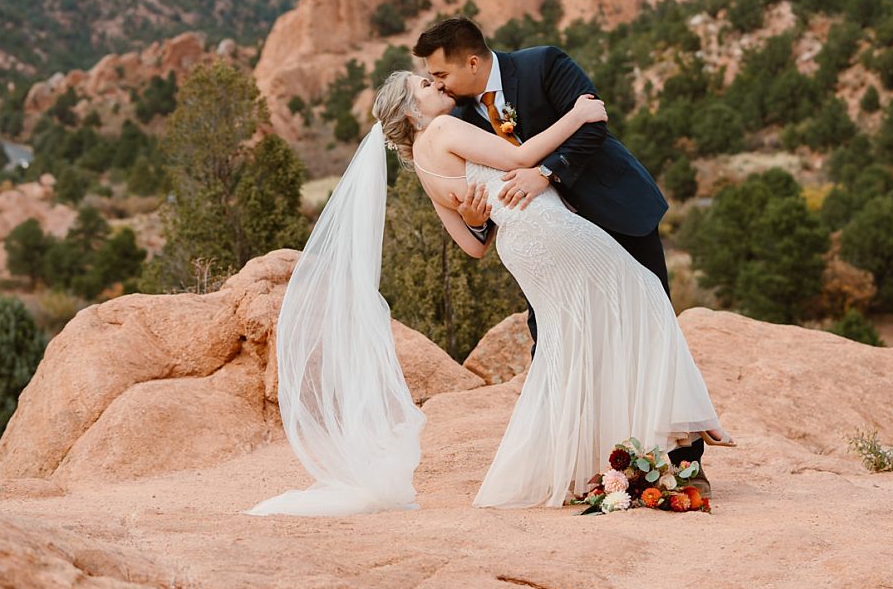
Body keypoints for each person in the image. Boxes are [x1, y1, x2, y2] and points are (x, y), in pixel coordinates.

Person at [244, 69, 729, 515]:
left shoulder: (420, 163)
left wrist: (479, 218)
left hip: (521, 248)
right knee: (643, 290)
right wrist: (577, 115)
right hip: (547, 230)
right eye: (426, 88)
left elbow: (472, 246)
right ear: (413, 112)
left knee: (570, 342)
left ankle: (582, 463)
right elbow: (520, 157)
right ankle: (686, 418)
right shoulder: (442, 131)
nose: (439, 87)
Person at [412, 16, 716, 474]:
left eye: (442, 74)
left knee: (648, 324)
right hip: (550, 241)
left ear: (471, 61)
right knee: (555, 341)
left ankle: (684, 465)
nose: (439, 84)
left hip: (615, 209)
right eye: (432, 80)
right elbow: (484, 197)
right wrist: (477, 220)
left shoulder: (542, 64)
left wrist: (546, 173)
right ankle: (580, 462)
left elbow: (592, 125)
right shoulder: (453, 118)